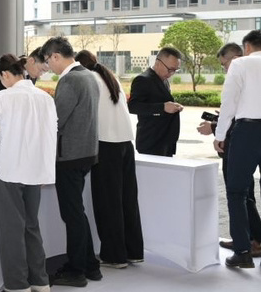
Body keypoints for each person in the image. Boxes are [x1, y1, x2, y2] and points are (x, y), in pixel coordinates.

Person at [0, 54, 57, 292]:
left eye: (1, 79)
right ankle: (40, 281)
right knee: (31, 226)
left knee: (11, 230)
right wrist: (46, 170)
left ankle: (17, 285)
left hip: (10, 170)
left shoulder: (4, 96)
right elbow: (52, 134)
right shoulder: (45, 98)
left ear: (5, 75)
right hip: (35, 171)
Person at [213, 30, 261, 274]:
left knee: (236, 191)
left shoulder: (240, 64)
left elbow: (229, 101)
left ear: (247, 47)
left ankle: (242, 252)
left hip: (248, 132)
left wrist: (220, 135)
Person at [40, 37, 101, 287]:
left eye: (47, 61)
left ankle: (76, 271)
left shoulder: (69, 80)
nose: (48, 67)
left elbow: (56, 120)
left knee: (72, 215)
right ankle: (90, 265)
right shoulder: (88, 75)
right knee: (77, 212)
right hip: (86, 153)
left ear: (56, 56)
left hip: (69, 156)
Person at [74, 50, 144, 268]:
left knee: (108, 202)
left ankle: (114, 256)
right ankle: (133, 251)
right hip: (125, 144)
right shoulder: (110, 78)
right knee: (127, 200)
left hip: (106, 145)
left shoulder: (89, 80)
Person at [197, 43, 261, 256]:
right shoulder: (251, 78)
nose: (224, 68)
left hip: (238, 146)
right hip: (246, 144)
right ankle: (246, 238)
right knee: (245, 194)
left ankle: (256, 241)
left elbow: (237, 119)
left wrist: (214, 127)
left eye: (224, 64)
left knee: (241, 195)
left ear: (234, 59)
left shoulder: (240, 79)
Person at [128, 46, 184, 156]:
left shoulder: (163, 79)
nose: (172, 73)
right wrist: (162, 107)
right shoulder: (143, 80)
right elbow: (133, 106)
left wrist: (172, 107)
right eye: (170, 69)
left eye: (175, 70)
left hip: (165, 140)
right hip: (151, 141)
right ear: (158, 62)